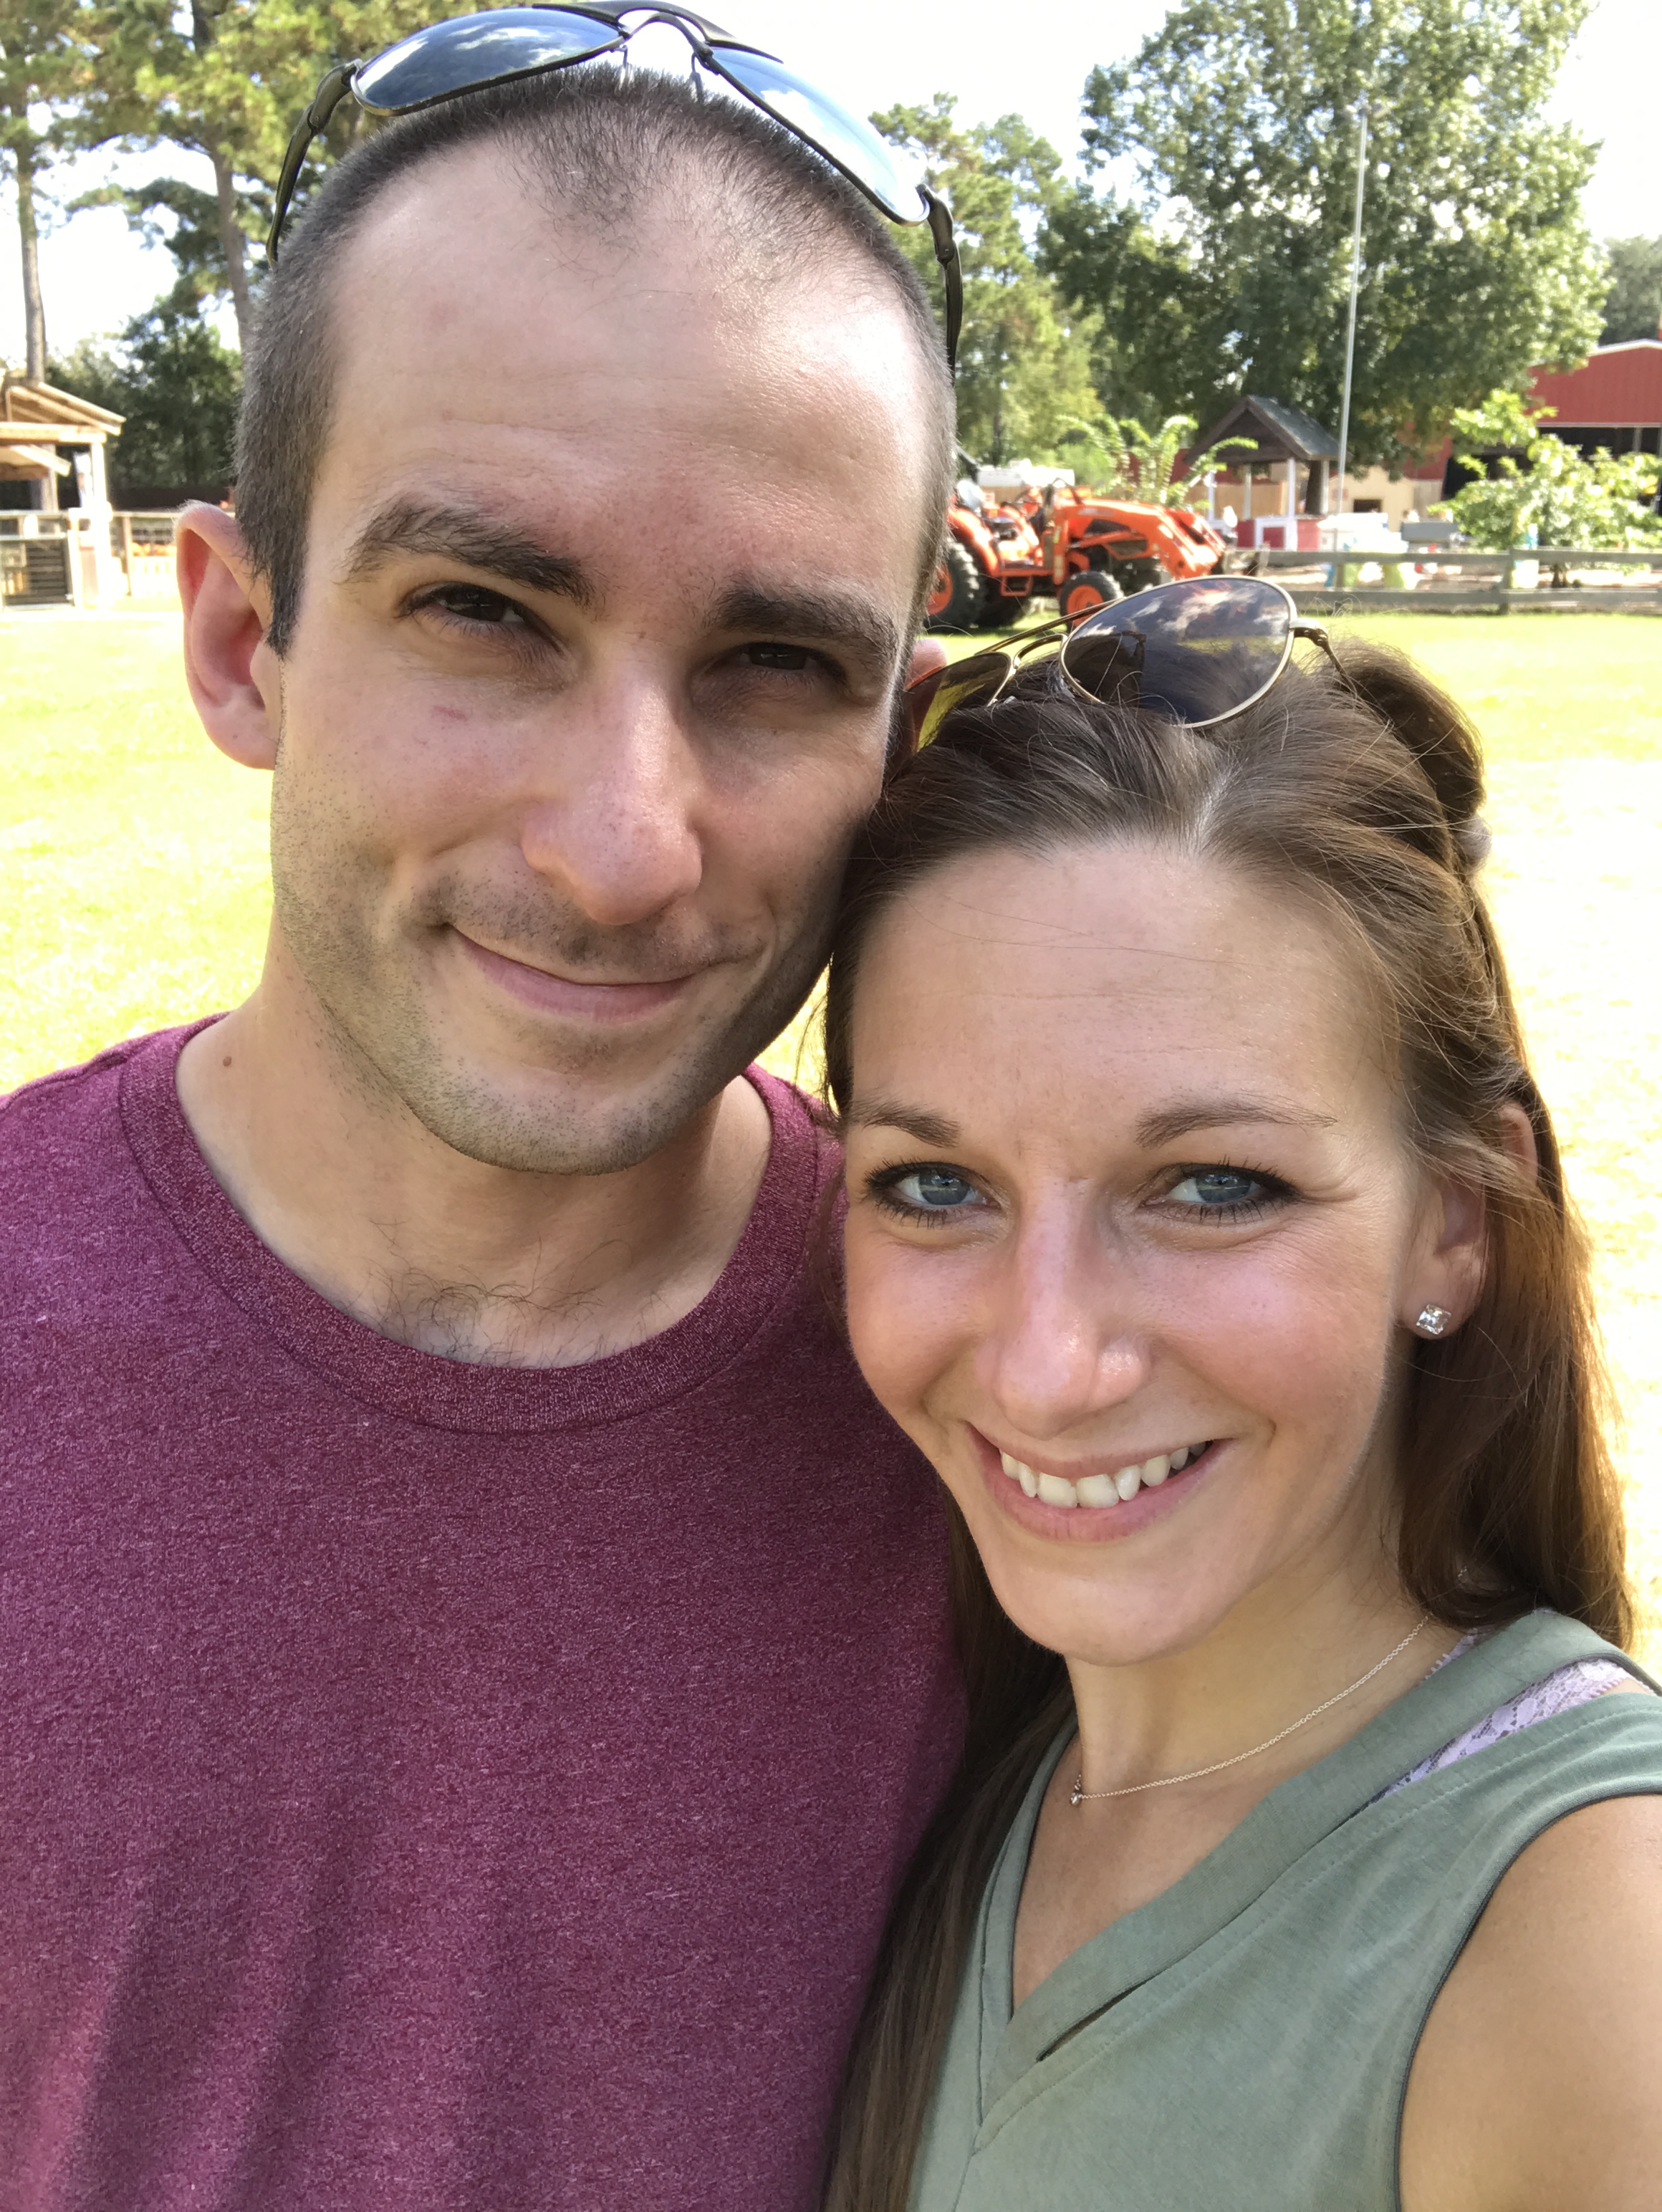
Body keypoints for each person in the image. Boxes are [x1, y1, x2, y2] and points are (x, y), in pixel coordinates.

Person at [0, 35, 966, 2212]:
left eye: (776, 666)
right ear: (242, 638)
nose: (624, 848)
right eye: (484, 613)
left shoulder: (1021, 1415)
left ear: (898, 739)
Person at [817, 584, 1662, 2211]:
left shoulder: (1592, 1945)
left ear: (1454, 1223)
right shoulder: (981, 1762)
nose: (1046, 1361)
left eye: (1211, 1186)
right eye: (933, 1185)